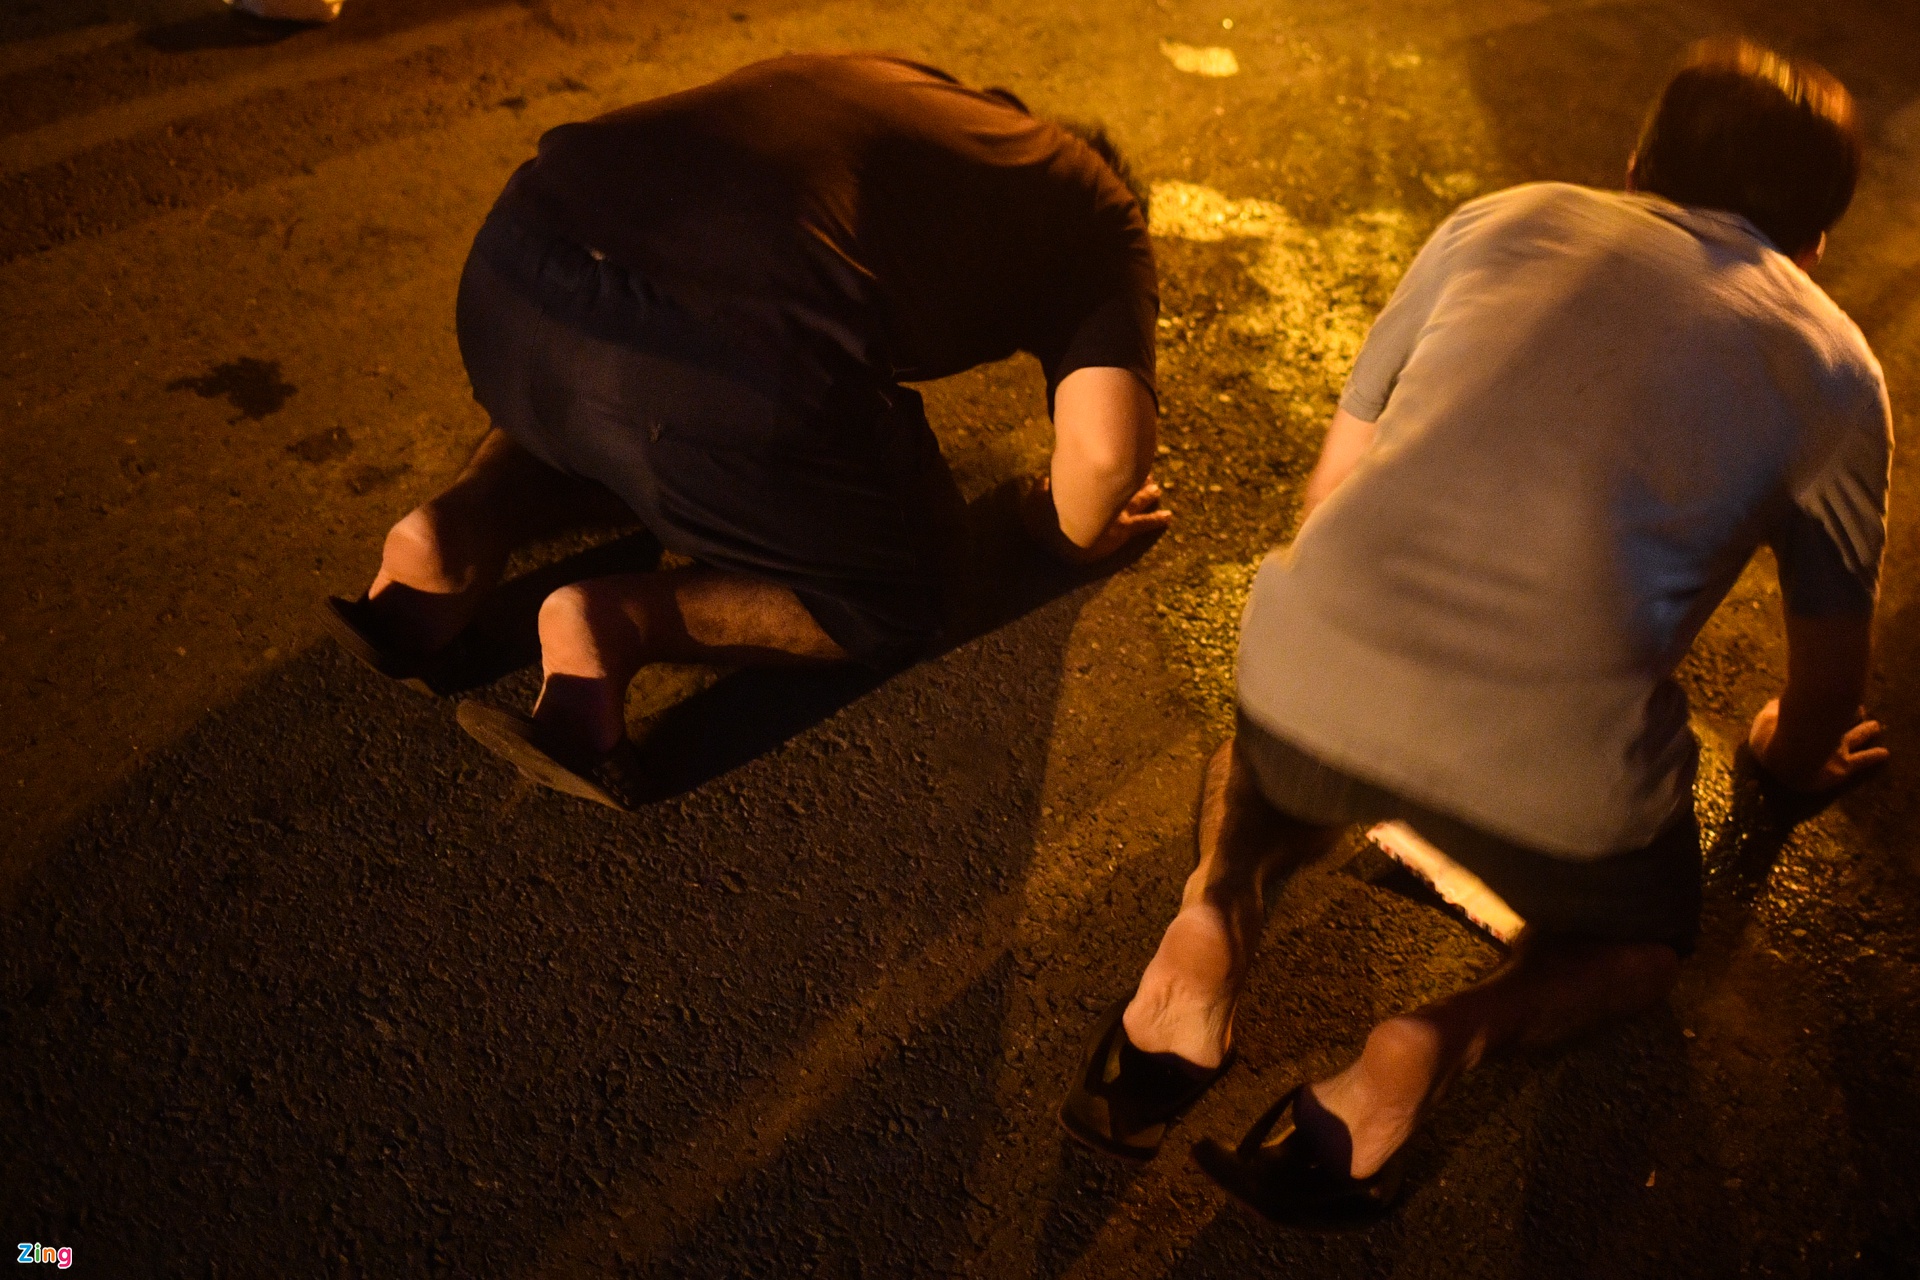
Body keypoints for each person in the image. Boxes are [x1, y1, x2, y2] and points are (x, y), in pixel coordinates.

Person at [1059, 37, 1891, 1227]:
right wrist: (1786, 756)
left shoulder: (1502, 219)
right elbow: (1828, 683)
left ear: (1636, 164)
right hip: (1556, 782)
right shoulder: (1840, 374)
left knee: (1275, 743)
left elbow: (1329, 499)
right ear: (1815, 243)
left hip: (1315, 675)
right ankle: (1426, 1046)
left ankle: (1209, 926)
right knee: (1644, 946)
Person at [323, 54, 1169, 807]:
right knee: (914, 589)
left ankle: (450, 532)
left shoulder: (908, 88)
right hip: (703, 377)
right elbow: (1106, 460)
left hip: (508, 277)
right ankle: (618, 623)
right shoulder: (1101, 215)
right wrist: (1057, 527)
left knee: (612, 366)